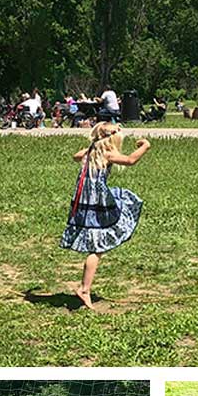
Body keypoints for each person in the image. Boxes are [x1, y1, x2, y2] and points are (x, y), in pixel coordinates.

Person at [60, 123, 150, 310]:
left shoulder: (90, 153)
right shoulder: (106, 154)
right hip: (98, 202)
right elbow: (130, 160)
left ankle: (85, 288)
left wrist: (91, 147)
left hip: (84, 201)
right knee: (98, 245)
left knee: (96, 241)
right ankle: (84, 289)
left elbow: (76, 156)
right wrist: (145, 146)